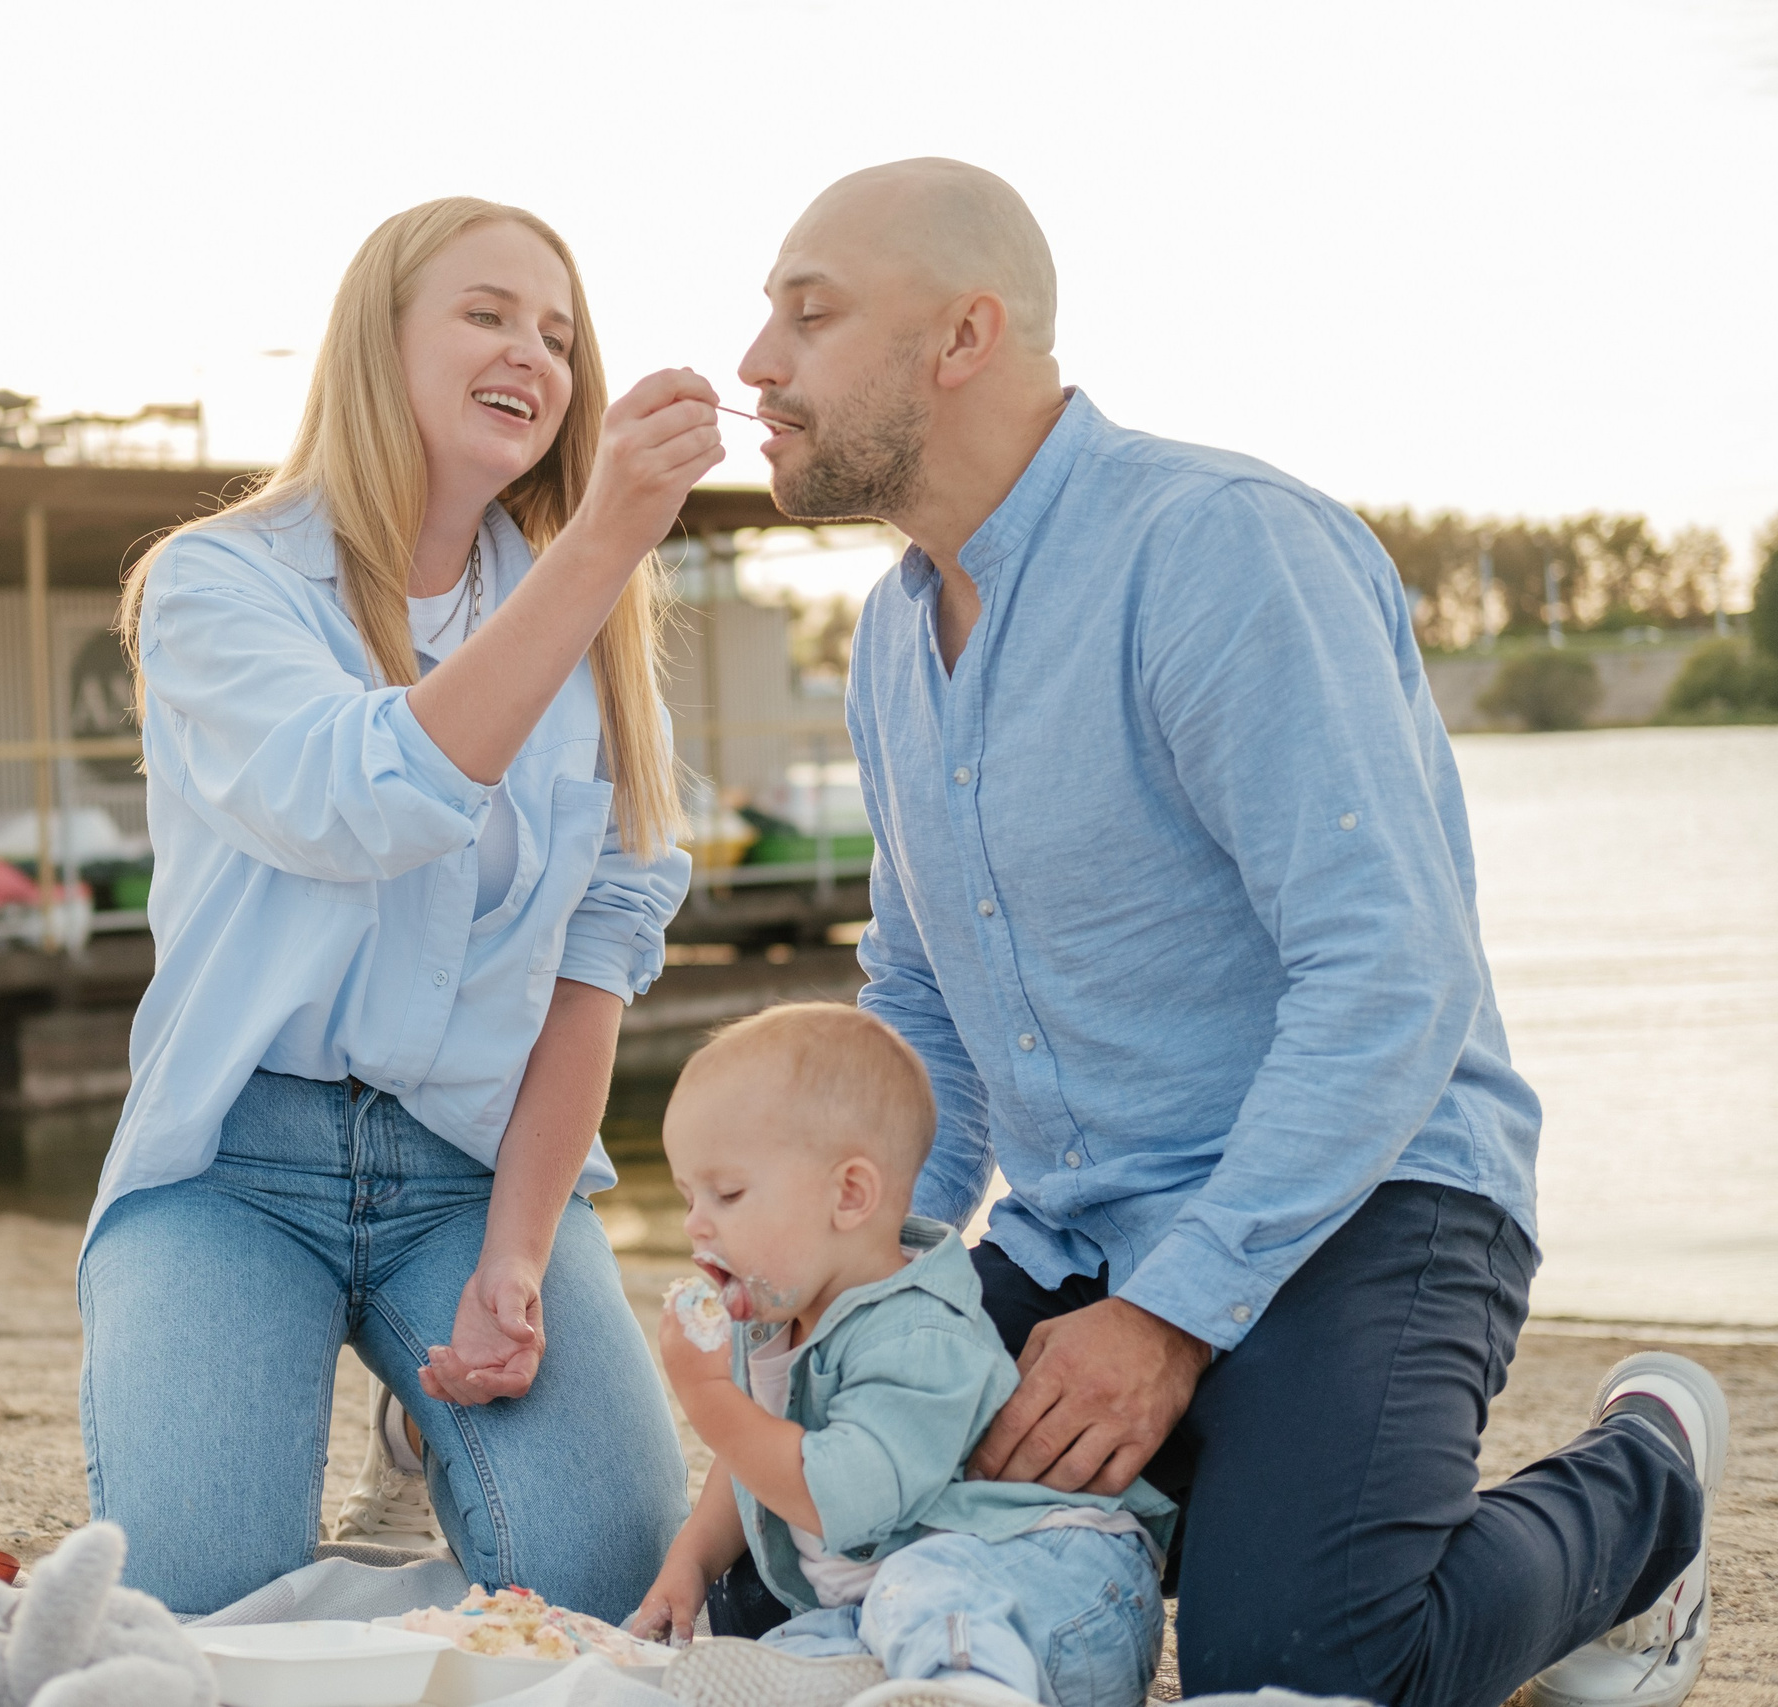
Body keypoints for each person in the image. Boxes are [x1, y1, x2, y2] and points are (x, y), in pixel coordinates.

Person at [730, 158, 1729, 1707]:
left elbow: (1388, 973)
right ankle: (1244, 1493)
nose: (756, 363)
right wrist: (854, 1286)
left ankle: (1648, 1476)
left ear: (964, 336)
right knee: (774, 1579)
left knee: (1299, 1664)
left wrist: (1170, 1315)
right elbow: (921, 1005)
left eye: (810, 314)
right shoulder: (888, 637)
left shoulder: (1221, 550)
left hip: (1372, 1195)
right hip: (1078, 1229)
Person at [77, 196, 724, 1620]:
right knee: (198, 1607)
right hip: (233, 1158)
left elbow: (595, 966)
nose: (533, 354)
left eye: (559, 335)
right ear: (378, 342)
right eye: (486, 314)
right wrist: (606, 537)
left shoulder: (596, 631)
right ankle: (395, 1418)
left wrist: (517, 1252)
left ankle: (424, 1425)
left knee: (609, 1590)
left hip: (472, 1167)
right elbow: (362, 799)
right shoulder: (221, 581)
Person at [631, 1003, 1174, 1707]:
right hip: (891, 1609)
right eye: (688, 1197)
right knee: (782, 1654)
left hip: (1052, 1585)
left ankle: (970, 1693)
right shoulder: (776, 1320)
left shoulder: (918, 1329)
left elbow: (837, 1496)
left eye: (727, 1193)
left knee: (921, 1585)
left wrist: (708, 1397)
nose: (696, 1225)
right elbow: (752, 1464)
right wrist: (691, 1563)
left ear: (850, 1194)